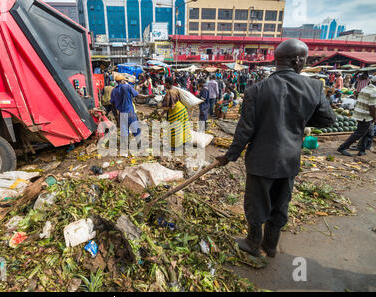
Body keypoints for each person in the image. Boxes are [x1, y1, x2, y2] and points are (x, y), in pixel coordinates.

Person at [215, 39, 335, 258]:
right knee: (281, 203)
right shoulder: (314, 86)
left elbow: (244, 132)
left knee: (256, 204)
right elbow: (328, 119)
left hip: (261, 161)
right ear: (297, 60)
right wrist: (297, 119)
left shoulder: (256, 90)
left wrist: (229, 156)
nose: (305, 64)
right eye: (305, 60)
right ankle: (270, 246)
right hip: (289, 160)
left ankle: (253, 243)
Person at [337, 75, 376, 157]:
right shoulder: (374, 91)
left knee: (367, 132)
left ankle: (362, 150)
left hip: (359, 114)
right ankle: (342, 147)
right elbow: (372, 107)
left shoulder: (365, 88)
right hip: (365, 115)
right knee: (359, 133)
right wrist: (374, 117)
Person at [110, 74, 153, 142]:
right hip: (130, 112)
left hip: (121, 113)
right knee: (135, 128)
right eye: (124, 80)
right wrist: (148, 96)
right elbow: (138, 96)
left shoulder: (114, 91)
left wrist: (116, 117)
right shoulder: (127, 87)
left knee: (124, 130)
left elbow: (112, 105)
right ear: (122, 80)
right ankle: (139, 144)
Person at [160, 77, 192, 150]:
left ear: (168, 83)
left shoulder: (169, 92)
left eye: (165, 83)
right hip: (182, 109)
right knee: (182, 127)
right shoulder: (175, 89)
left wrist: (161, 114)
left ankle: (175, 146)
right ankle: (184, 142)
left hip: (176, 111)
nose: (164, 85)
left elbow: (168, 106)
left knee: (174, 128)